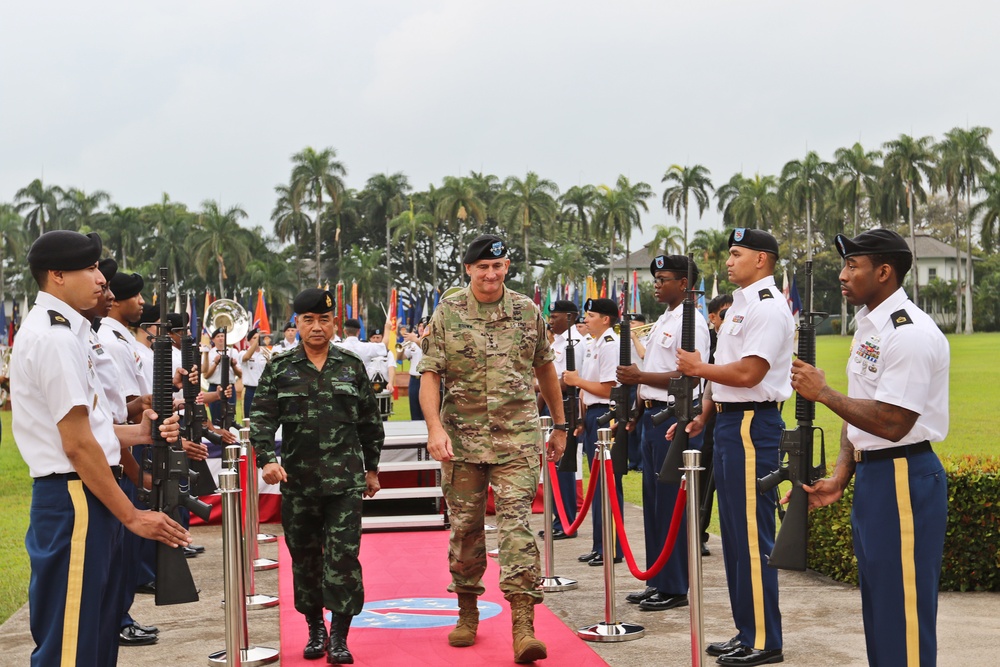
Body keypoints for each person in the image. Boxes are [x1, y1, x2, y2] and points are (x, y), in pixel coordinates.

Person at [11, 230, 190, 667]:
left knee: (96, 630)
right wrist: (132, 515)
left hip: (89, 491)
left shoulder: (69, 332)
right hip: (75, 495)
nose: (99, 279)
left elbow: (93, 428)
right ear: (56, 276)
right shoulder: (53, 337)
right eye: (88, 268)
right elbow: (75, 444)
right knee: (71, 643)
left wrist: (140, 433)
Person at [788, 229, 949, 667]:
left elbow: (894, 422)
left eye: (852, 266)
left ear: (883, 272)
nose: (842, 275)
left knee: (904, 613)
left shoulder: (908, 333)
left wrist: (824, 394)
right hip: (876, 476)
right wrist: (842, 473)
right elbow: (861, 408)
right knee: (880, 608)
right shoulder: (870, 323)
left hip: (903, 476)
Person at [418, 234, 567, 664]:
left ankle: (524, 626)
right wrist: (434, 428)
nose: (490, 274)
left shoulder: (526, 310)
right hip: (461, 442)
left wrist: (559, 426)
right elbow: (430, 374)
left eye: (497, 267)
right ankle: (467, 610)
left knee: (517, 524)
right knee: (465, 528)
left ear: (506, 269)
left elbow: (545, 367)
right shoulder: (448, 310)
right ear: (468, 269)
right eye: (482, 267)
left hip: (517, 439)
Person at [675, 228, 793, 666]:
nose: (728, 261)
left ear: (762, 259)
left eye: (737, 254)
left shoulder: (767, 308)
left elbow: (748, 375)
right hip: (728, 422)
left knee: (751, 536)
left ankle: (764, 638)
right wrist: (704, 414)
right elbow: (725, 375)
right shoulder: (741, 305)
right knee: (733, 537)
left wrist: (697, 365)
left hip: (751, 424)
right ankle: (747, 630)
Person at [254, 288, 384, 664]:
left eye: (323, 320)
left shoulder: (350, 364)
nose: (316, 327)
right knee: (306, 559)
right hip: (299, 484)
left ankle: (341, 637)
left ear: (333, 324)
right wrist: (267, 459)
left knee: (343, 558)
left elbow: (369, 423)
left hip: (344, 482)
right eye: (308, 320)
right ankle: (315, 629)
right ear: (296, 323)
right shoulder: (280, 368)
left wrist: (371, 469)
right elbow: (262, 418)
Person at [617, 255, 710, 612]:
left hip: (676, 418)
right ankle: (657, 578)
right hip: (653, 417)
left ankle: (674, 585)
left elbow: (690, 376)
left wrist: (639, 378)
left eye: (664, 278)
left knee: (672, 506)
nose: (656, 283)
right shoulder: (665, 321)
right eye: (655, 277)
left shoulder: (692, 323)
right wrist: (639, 403)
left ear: (684, 284)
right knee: (655, 506)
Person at [563, 297, 625, 567]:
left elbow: (610, 389)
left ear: (606, 319)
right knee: (597, 486)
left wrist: (576, 381)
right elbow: (588, 391)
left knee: (608, 484)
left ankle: (611, 547)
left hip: (605, 417)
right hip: (591, 417)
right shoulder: (592, 344)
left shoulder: (610, 345)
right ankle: (600, 544)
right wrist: (580, 417)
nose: (585, 319)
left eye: (591, 315)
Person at [537, 299, 581, 540]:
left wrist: (535, 386)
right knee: (554, 466)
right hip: (555, 408)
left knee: (563, 467)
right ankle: (559, 517)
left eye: (556, 316)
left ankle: (565, 519)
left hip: (566, 409)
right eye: (550, 316)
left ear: (571, 317)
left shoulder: (575, 343)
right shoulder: (558, 343)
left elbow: (566, 382)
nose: (551, 320)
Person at [698, 292, 733, 557]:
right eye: (724, 313)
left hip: (734, 412)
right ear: (712, 317)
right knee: (705, 474)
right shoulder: (710, 339)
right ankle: (698, 530)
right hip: (712, 412)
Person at [202, 327, 241, 425]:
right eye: (218, 336)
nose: (221, 338)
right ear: (213, 339)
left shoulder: (233, 352)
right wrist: (215, 363)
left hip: (229, 387)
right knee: (216, 418)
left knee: (230, 417)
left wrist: (233, 365)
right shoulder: (209, 353)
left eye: (223, 336)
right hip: (215, 387)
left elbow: (240, 374)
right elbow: (206, 375)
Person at [400, 319, 427, 420]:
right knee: (414, 410)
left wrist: (415, 339)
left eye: (423, 326)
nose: (421, 328)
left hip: (426, 380)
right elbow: (400, 357)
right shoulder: (412, 344)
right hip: (414, 380)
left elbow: (427, 348)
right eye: (419, 326)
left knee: (426, 411)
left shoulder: (430, 341)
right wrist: (401, 346)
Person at [241, 328, 271, 417]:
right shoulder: (243, 353)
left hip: (264, 389)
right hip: (250, 390)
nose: (257, 339)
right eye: (254, 338)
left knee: (264, 417)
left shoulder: (267, 353)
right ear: (249, 341)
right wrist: (257, 341)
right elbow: (246, 357)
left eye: (258, 337)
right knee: (248, 417)